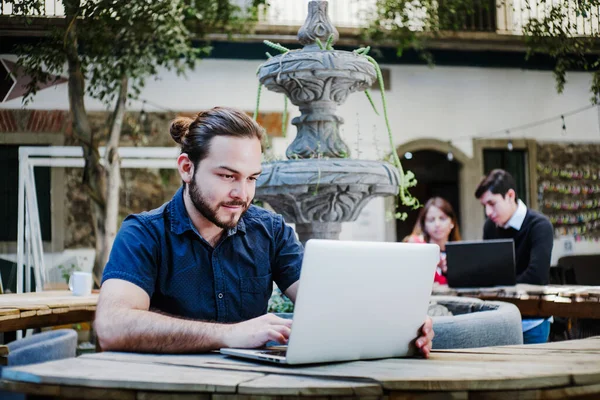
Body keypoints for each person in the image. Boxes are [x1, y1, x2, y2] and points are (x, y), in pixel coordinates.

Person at [94, 106, 435, 356]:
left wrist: (399, 326)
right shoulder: (144, 234)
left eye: (252, 178)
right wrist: (230, 335)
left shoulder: (270, 231)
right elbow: (112, 326)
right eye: (228, 176)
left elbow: (330, 303)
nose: (242, 194)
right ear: (187, 168)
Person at [475, 169, 554, 344]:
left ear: (510, 195)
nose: (488, 212)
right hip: (498, 319)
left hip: (532, 320)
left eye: (492, 203)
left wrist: (496, 288)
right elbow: (488, 272)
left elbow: (536, 277)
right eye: (484, 206)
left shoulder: (540, 226)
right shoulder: (490, 226)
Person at [405, 197, 461, 284]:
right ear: (424, 225)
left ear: (452, 223)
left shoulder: (460, 253)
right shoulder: (417, 247)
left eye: (442, 219)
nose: (437, 224)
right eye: (431, 220)